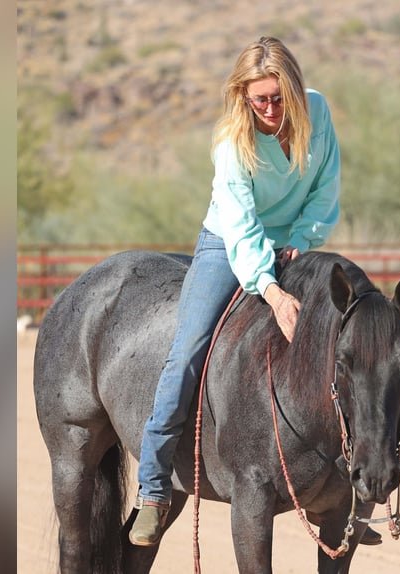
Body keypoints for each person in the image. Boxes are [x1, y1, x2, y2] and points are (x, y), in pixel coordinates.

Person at [130, 36, 341, 546]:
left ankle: (343, 489)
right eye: (259, 99)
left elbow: (325, 189)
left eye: (277, 97)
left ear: (293, 87)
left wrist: (300, 243)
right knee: (187, 352)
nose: (270, 109)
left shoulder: (317, 111)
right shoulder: (232, 138)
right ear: (243, 97)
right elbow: (243, 231)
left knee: (345, 339)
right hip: (228, 245)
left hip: (294, 242)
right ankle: (154, 489)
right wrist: (270, 289)